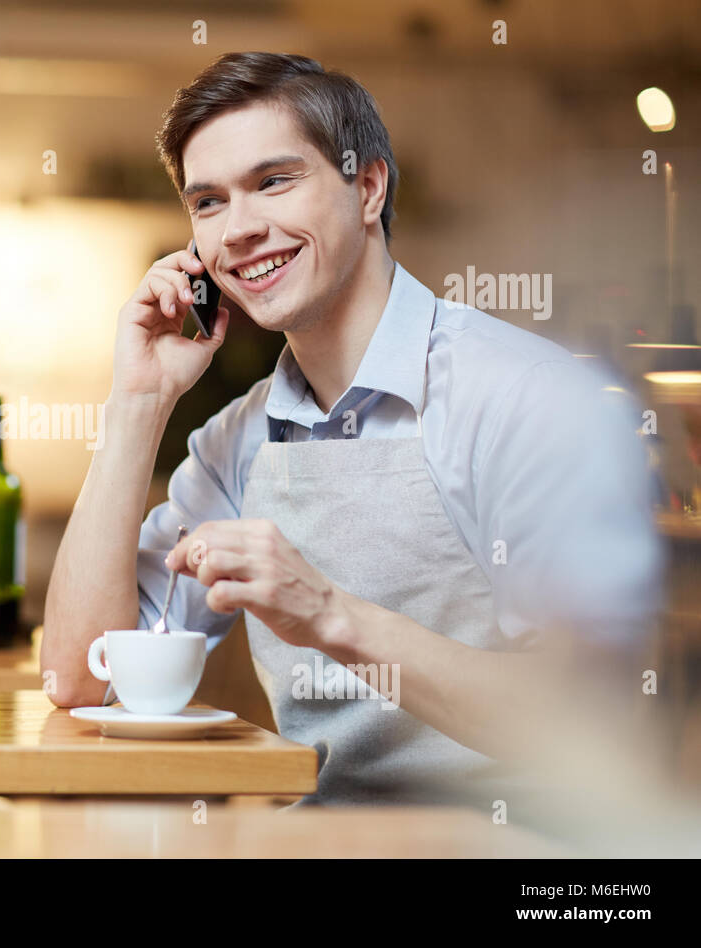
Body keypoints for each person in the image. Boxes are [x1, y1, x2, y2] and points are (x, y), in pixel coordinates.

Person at [41, 52, 666, 809]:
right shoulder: (237, 442)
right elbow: (79, 678)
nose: (239, 229)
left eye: (274, 181)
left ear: (367, 187)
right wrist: (138, 402)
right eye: (208, 202)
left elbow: (587, 718)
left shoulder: (527, 398)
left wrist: (331, 615)